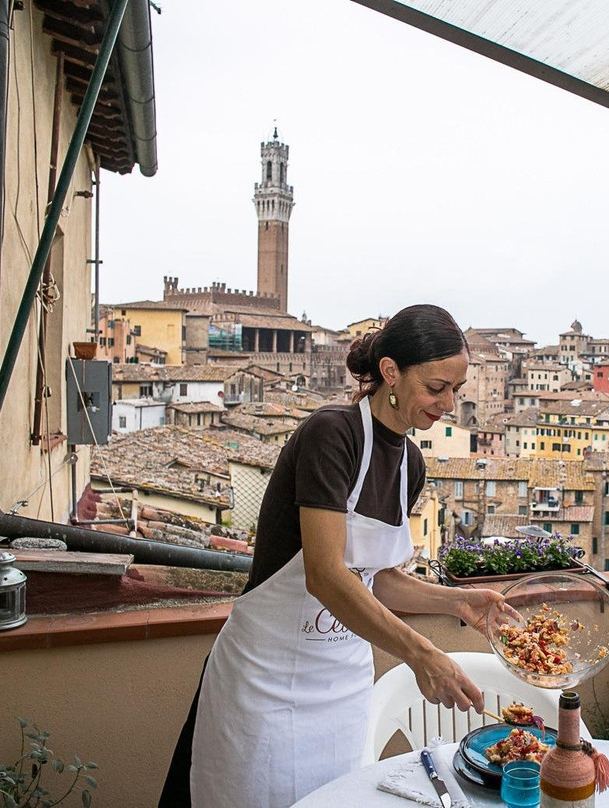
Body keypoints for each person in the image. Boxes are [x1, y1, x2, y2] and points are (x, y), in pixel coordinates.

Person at [159, 304, 511, 808]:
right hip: (266, 681)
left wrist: (455, 603)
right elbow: (325, 575)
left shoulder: (410, 463)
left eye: (455, 389)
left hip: (342, 690)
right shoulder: (333, 434)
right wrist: (419, 653)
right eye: (437, 388)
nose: (450, 404)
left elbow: (375, 579)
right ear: (391, 371)